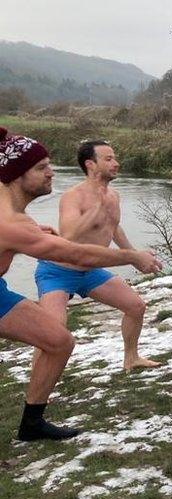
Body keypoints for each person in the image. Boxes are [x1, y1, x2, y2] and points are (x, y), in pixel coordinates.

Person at [0, 127, 161, 441]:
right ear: (17, 176)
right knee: (55, 333)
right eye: (40, 167)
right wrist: (131, 256)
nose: (51, 172)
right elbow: (74, 251)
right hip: (57, 272)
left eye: (49, 164)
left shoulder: (12, 210)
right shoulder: (11, 222)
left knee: (59, 340)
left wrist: (32, 232)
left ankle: (31, 425)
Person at [31, 140, 160, 372]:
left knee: (136, 306)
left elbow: (114, 228)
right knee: (51, 329)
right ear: (90, 164)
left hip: (91, 271)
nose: (116, 163)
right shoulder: (73, 196)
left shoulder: (114, 195)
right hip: (57, 272)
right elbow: (68, 235)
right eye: (108, 159)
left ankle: (131, 358)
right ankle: (38, 381)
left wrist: (134, 256)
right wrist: (95, 210)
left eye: (115, 158)